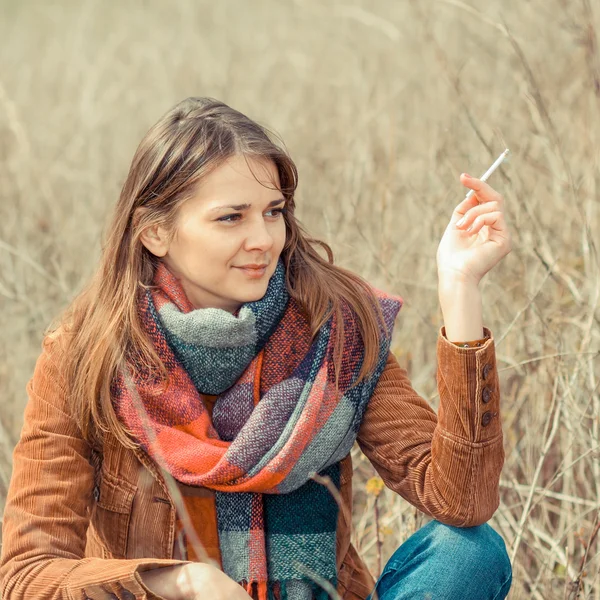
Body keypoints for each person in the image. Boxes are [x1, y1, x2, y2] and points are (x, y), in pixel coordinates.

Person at [0, 97, 513, 600]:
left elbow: (460, 499)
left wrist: (460, 289)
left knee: (469, 552)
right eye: (231, 218)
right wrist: (179, 582)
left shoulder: (335, 331)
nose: (264, 239)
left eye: (273, 212)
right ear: (155, 231)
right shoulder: (87, 355)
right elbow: (25, 575)